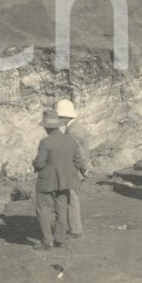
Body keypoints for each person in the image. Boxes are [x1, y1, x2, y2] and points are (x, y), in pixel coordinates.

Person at [32, 109, 88, 250]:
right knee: (61, 210)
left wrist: (35, 163)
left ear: (46, 127)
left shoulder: (45, 142)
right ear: (58, 125)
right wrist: (80, 172)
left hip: (46, 182)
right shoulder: (69, 140)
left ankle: (47, 241)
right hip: (65, 181)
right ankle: (60, 239)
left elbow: (39, 163)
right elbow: (79, 160)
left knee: (43, 210)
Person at [58, 99, 88, 238]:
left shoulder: (72, 132)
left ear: (65, 116)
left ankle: (76, 230)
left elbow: (78, 155)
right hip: (76, 171)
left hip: (74, 172)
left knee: (72, 200)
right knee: (72, 199)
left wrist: (83, 170)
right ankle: (74, 228)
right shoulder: (76, 127)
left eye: (60, 117)